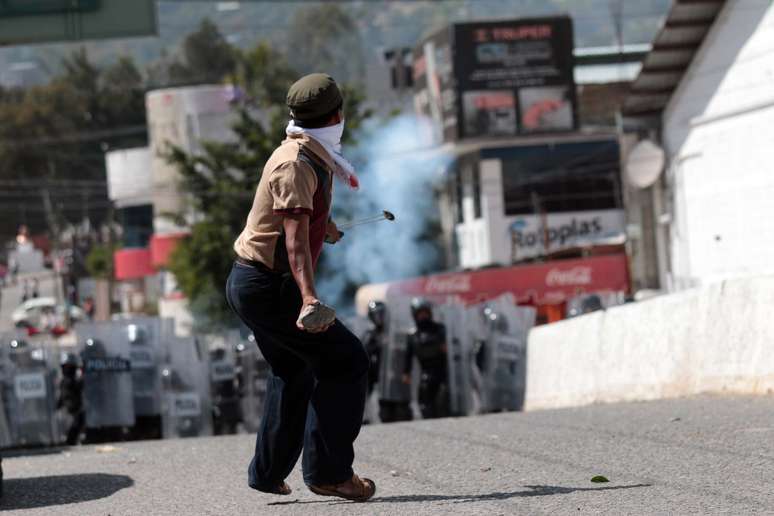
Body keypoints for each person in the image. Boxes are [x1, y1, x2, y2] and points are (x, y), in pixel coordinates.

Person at [226, 73, 374, 502]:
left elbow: (294, 217)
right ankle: (330, 473)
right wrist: (309, 298)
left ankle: (268, 472)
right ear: (336, 116)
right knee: (346, 362)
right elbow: (293, 242)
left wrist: (323, 225)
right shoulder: (296, 163)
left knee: (293, 370)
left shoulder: (308, 151)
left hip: (254, 282)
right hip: (269, 286)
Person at [404, 298, 451, 419]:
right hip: (425, 372)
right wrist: (406, 372)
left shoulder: (440, 329)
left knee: (443, 399)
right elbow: (408, 355)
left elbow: (450, 348)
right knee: (425, 401)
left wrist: (446, 348)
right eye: (420, 313)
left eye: (425, 312)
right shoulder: (413, 335)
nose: (423, 316)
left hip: (442, 372)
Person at [58, 353, 85, 445]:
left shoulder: (74, 380)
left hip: (75, 408)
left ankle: (72, 440)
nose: (68, 369)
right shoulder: (65, 381)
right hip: (69, 409)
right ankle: (69, 441)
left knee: (78, 422)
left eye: (70, 367)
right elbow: (63, 395)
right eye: (66, 367)